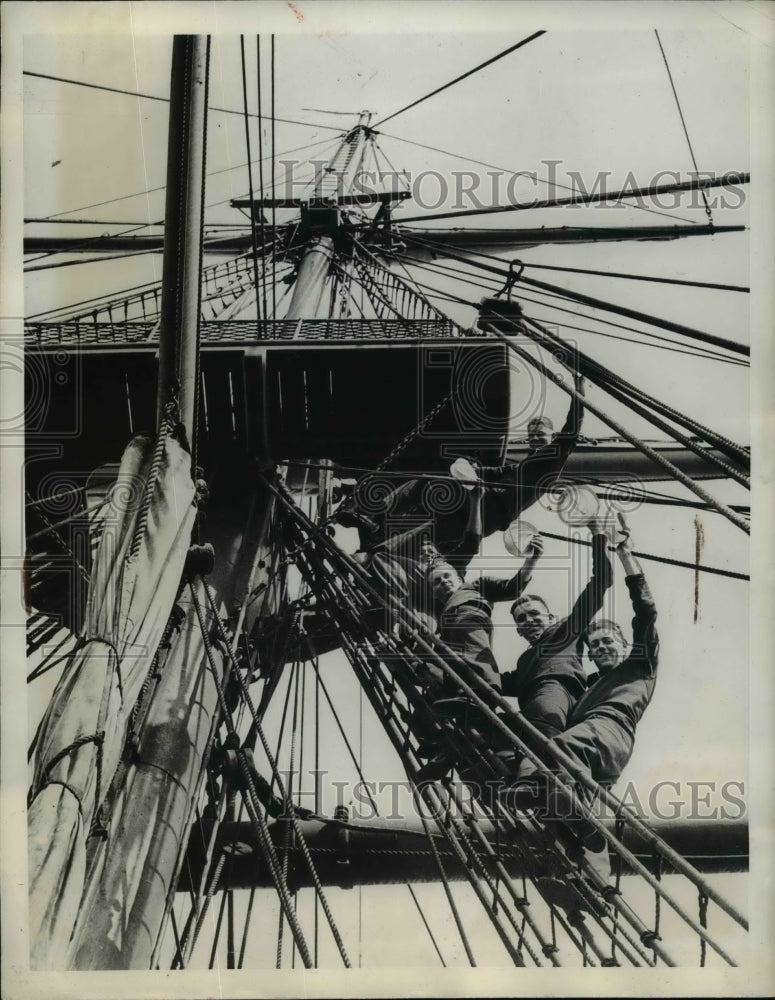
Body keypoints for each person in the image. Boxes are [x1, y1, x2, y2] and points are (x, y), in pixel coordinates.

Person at [333, 373, 585, 551]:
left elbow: (572, 428)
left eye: (540, 435)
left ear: (552, 437)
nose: (535, 439)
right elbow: (497, 471)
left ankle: (372, 514)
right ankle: (373, 549)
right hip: (485, 517)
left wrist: (578, 387)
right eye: (532, 436)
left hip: (490, 507)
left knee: (426, 483)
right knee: (425, 533)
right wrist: (475, 468)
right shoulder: (524, 465)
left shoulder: (554, 456)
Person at [499, 515, 614, 754]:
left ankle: (545, 779)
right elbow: (491, 681)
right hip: (532, 706)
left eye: (534, 614)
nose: (529, 620)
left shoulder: (566, 629)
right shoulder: (523, 665)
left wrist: (597, 535)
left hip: (556, 694)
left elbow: (600, 582)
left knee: (542, 742)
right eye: (521, 619)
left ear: (551, 618)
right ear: (519, 631)